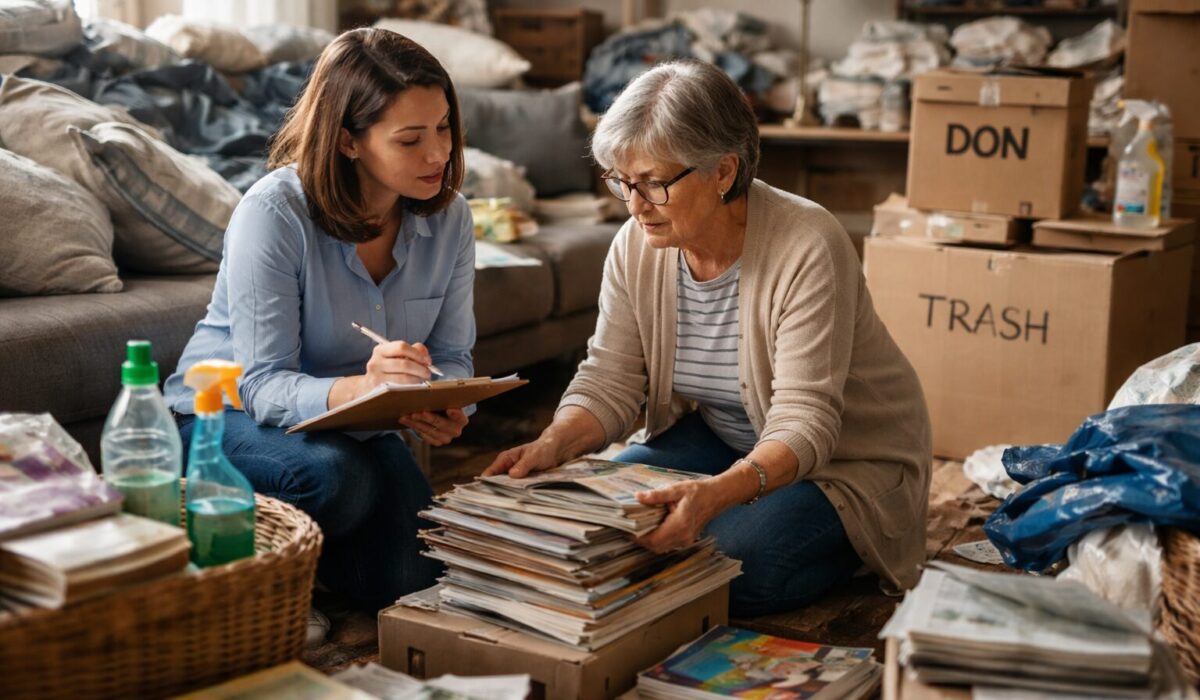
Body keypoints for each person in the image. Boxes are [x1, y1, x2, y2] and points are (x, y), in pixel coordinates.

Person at [484, 60, 932, 617]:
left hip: (846, 459)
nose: (635, 204)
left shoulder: (808, 243)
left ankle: (858, 545)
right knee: (600, 523)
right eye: (623, 181)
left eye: (653, 183)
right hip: (726, 435)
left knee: (733, 561)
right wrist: (554, 442)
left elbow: (805, 421)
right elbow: (610, 377)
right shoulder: (635, 243)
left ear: (723, 172)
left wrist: (717, 496)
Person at [164, 28, 475, 613]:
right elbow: (259, 386)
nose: (439, 154)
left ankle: (314, 565)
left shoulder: (451, 219)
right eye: (410, 140)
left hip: (351, 429)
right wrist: (367, 388)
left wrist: (440, 400)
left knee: (418, 580)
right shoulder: (273, 214)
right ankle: (253, 584)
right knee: (336, 480)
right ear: (349, 142)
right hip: (221, 417)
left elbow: (454, 357)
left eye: (444, 128)